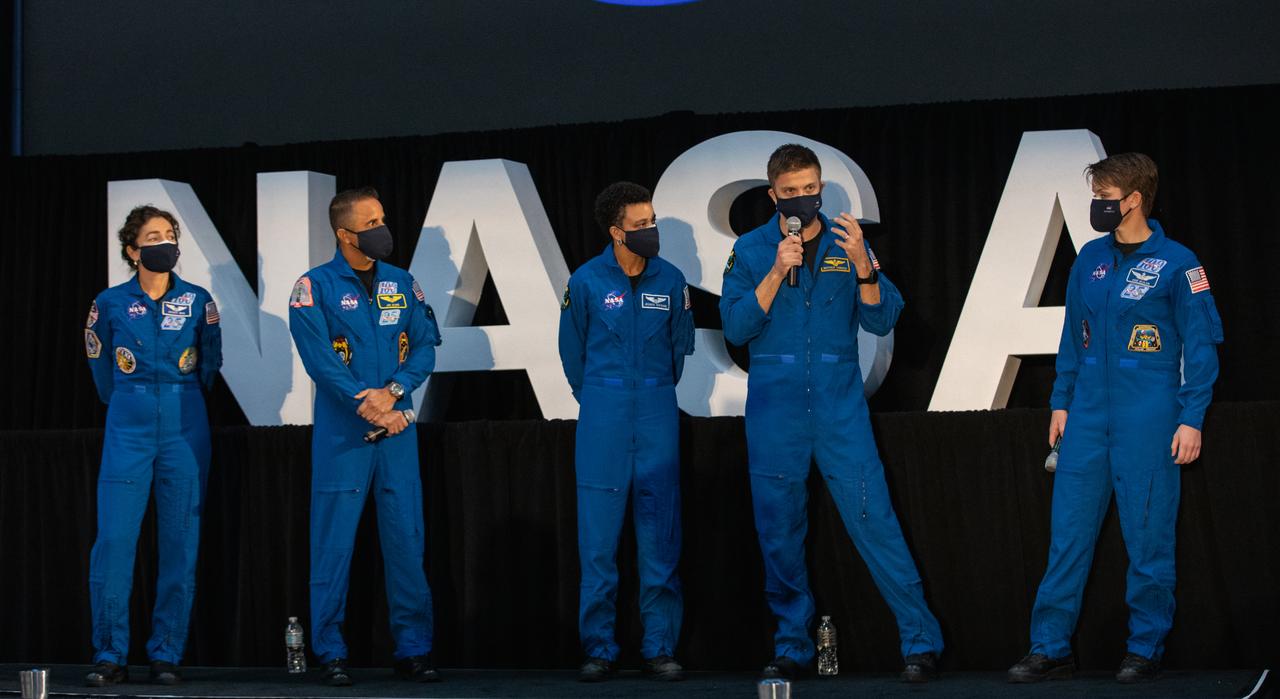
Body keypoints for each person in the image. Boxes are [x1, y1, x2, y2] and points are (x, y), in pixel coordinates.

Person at [719, 144, 943, 683]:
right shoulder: (750, 250)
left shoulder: (849, 241)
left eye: (810, 188)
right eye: (791, 192)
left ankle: (920, 642)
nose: (802, 199)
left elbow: (884, 318)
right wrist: (776, 272)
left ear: (821, 188)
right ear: (772, 195)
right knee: (780, 531)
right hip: (776, 411)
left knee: (876, 521)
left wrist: (866, 264)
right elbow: (735, 328)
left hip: (840, 408)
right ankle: (792, 644)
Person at [1008, 153, 1223, 684]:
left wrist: (1191, 416)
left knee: (1149, 542)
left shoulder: (1180, 263)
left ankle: (1145, 648)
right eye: (1095, 196)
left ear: (1135, 200)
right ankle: (1050, 647)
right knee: (1067, 540)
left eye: (1105, 197)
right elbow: (1071, 337)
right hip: (1086, 419)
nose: (1097, 206)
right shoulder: (1090, 261)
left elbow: (1201, 347)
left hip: (1149, 417)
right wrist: (1060, 400)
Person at [288, 187, 442, 686]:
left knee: (406, 541)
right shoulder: (313, 287)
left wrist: (394, 392)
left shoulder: (403, 282)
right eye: (370, 221)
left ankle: (414, 650)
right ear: (344, 233)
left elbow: (423, 348)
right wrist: (367, 403)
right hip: (344, 436)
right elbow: (320, 362)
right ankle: (330, 651)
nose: (382, 228)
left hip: (396, 430)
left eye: (382, 217)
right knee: (332, 545)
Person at [558, 182, 695, 682]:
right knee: (599, 540)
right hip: (603, 409)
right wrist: (600, 397)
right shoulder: (587, 281)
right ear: (617, 232)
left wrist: (651, 392)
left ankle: (660, 647)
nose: (650, 231)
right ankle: (599, 648)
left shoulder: (671, 279)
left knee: (660, 532)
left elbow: (680, 349)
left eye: (652, 221)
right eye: (640, 225)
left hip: (658, 406)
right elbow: (572, 354)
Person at [82, 206, 222, 686]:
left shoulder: (199, 300)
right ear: (132, 249)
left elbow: (210, 365)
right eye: (153, 235)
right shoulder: (110, 303)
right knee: (115, 542)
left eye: (170, 234)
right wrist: (133, 400)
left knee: (181, 543)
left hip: (185, 426)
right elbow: (101, 370)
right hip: (128, 425)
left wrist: (178, 396)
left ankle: (166, 652)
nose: (164, 242)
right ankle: (110, 653)